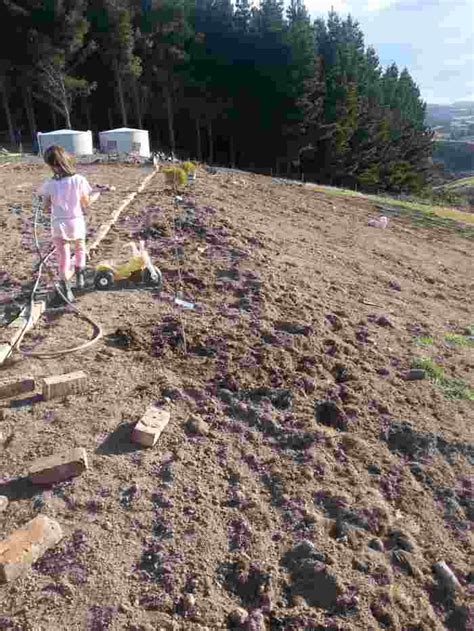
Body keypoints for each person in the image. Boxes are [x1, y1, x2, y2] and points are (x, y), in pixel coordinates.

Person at [38, 145, 93, 302]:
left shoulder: (49, 183)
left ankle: (66, 288)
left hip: (58, 224)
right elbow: (85, 202)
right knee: (80, 248)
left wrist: (45, 202)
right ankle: (80, 278)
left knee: (63, 256)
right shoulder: (79, 180)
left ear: (51, 165)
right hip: (76, 221)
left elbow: (46, 207)